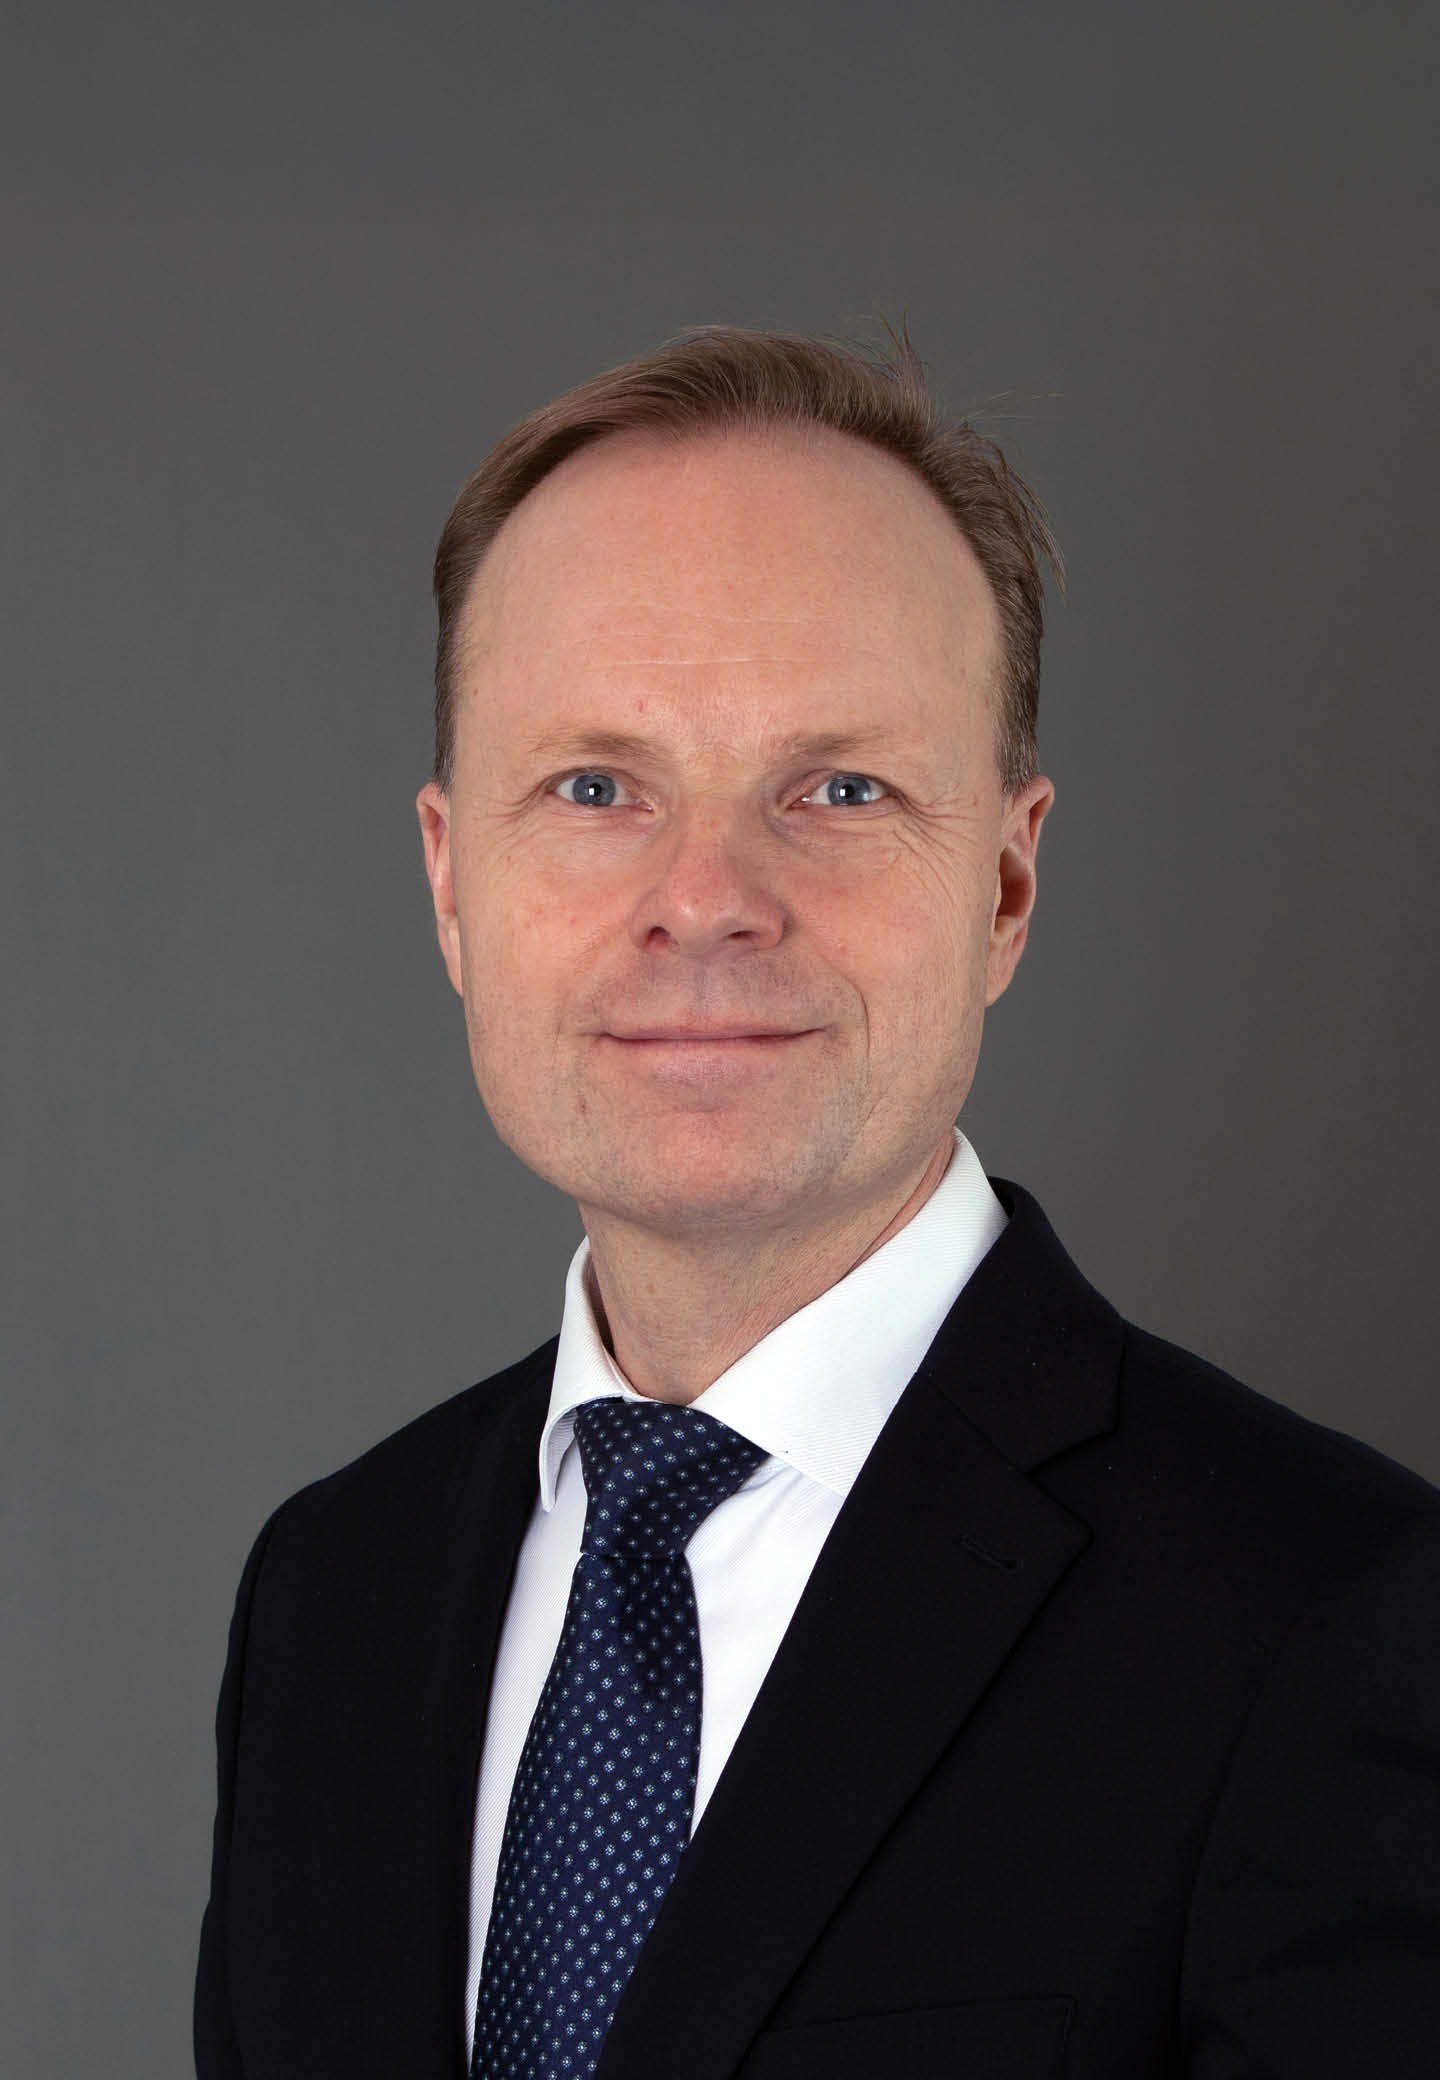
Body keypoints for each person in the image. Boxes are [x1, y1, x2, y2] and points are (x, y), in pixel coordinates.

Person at [195, 329, 1440, 2080]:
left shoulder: (1339, 1619)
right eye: (596, 787)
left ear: (1004, 882)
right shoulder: (330, 1598)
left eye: (839, 789)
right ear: (452, 881)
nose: (707, 898)